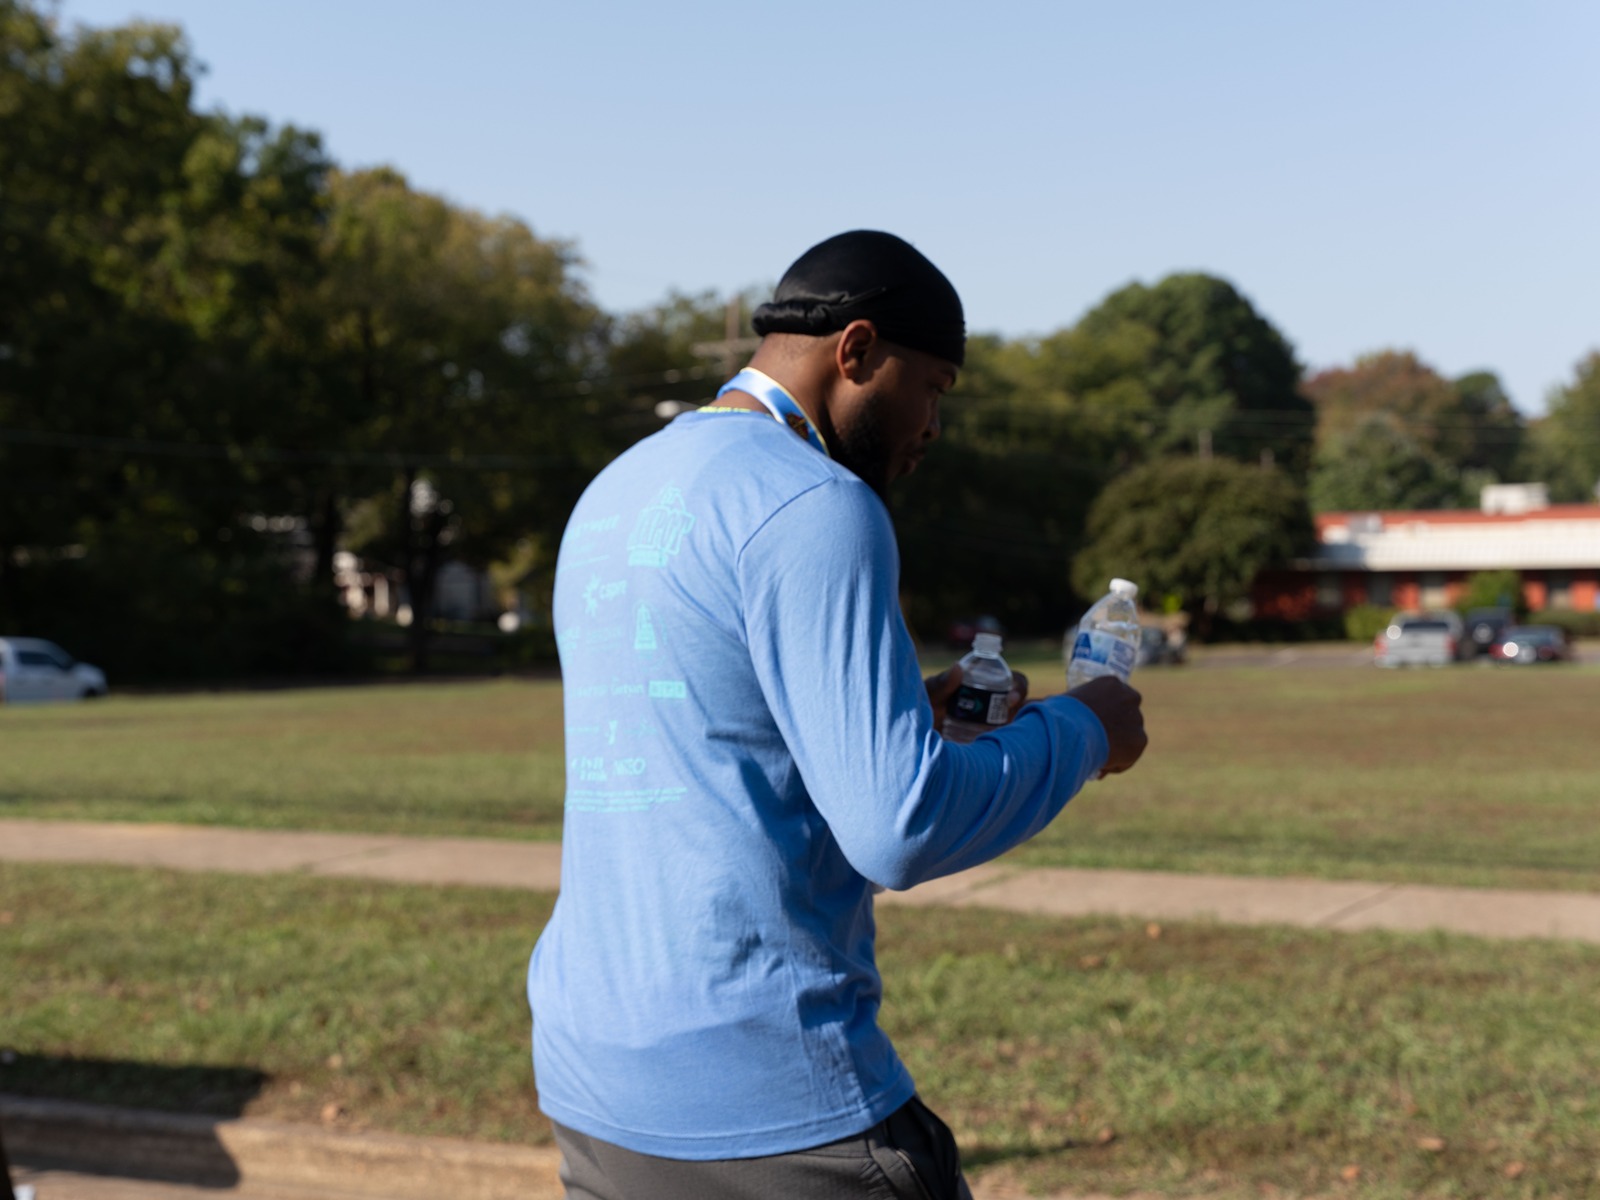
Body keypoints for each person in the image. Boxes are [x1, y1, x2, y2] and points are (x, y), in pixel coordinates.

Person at [527, 230, 1147, 1200]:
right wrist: (1085, 731)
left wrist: (896, 711)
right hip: (767, 1097)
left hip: (594, 1084)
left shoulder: (617, 488)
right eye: (932, 387)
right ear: (856, 351)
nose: (933, 424)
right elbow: (902, 826)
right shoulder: (817, 501)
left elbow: (706, 732)